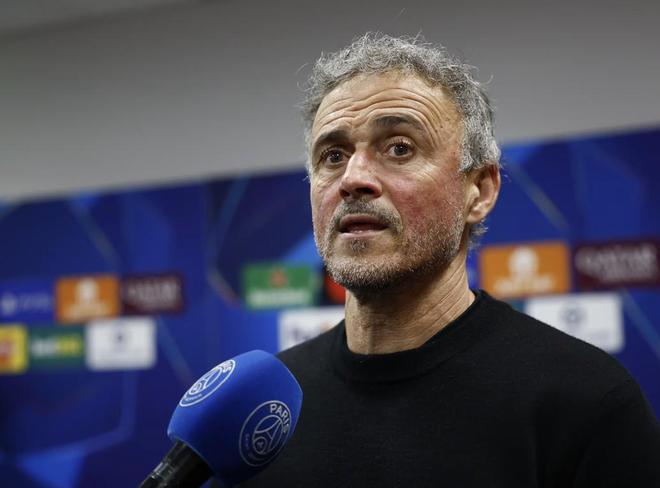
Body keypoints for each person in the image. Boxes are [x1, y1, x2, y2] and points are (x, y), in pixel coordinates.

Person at [242, 33, 660, 487]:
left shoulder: (586, 402)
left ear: (479, 190)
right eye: (333, 155)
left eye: (399, 148)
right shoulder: (263, 413)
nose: (353, 178)